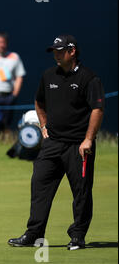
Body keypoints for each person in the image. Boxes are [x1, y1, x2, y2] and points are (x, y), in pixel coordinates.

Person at [8, 34, 105, 250]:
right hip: (52, 144)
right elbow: (39, 101)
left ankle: (78, 236)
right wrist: (43, 126)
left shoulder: (89, 78)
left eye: (60, 51)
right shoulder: (48, 75)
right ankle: (34, 233)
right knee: (39, 186)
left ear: (72, 52)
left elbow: (97, 108)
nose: (56, 55)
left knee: (81, 192)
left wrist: (88, 139)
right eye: (54, 51)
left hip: (78, 146)